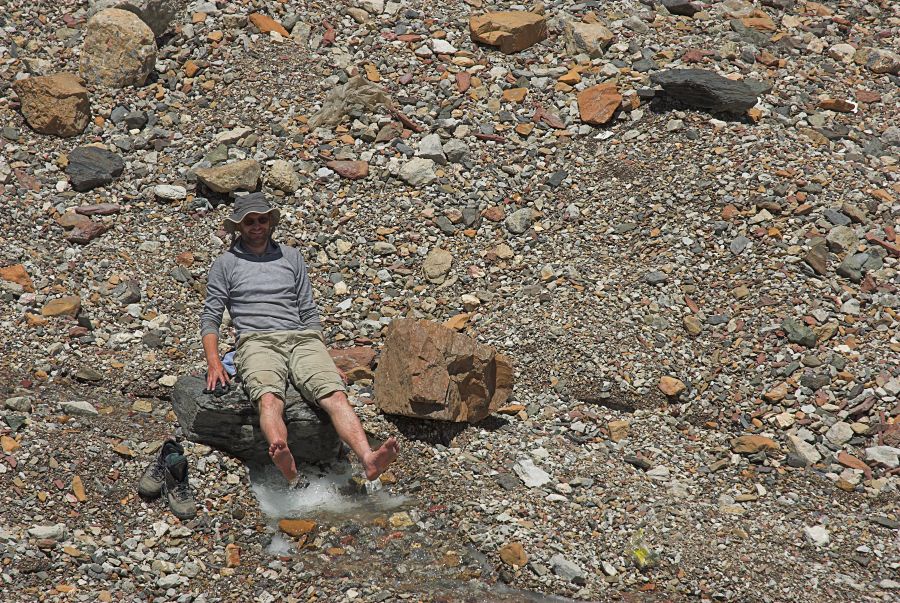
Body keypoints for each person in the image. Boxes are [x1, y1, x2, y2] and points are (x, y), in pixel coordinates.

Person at [200, 193, 398, 484]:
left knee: (333, 393)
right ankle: (286, 462)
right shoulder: (225, 264)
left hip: (303, 339)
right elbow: (210, 317)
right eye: (249, 221)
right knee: (269, 397)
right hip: (256, 340)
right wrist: (214, 362)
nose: (256, 226)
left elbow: (308, 312)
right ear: (239, 226)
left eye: (262, 220)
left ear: (271, 222)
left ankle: (368, 459)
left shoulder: (291, 257)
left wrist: (326, 358)